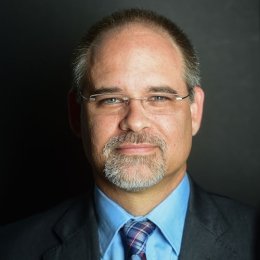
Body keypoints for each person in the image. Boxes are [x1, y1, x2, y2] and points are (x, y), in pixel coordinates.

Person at [0, 8, 257, 260]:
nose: (134, 121)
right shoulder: (11, 248)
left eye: (158, 97)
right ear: (75, 114)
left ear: (194, 111)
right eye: (111, 99)